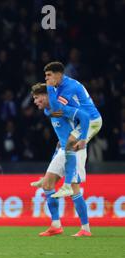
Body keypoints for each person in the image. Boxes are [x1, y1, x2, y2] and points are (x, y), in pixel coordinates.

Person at [30, 83, 92, 237]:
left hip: (75, 149)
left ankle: (85, 229)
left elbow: (84, 117)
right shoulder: (47, 111)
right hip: (63, 149)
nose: (35, 101)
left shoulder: (62, 106)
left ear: (46, 95)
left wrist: (83, 139)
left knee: (73, 188)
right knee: (47, 183)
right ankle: (56, 225)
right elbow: (63, 130)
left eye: (37, 98)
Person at [43, 61, 102, 198]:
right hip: (80, 121)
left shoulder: (68, 87)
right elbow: (57, 112)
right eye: (45, 76)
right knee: (66, 143)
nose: (46, 79)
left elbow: (56, 109)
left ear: (58, 75)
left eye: (49, 75)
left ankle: (69, 185)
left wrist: (82, 139)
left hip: (92, 121)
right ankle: (66, 181)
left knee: (71, 143)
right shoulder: (61, 85)